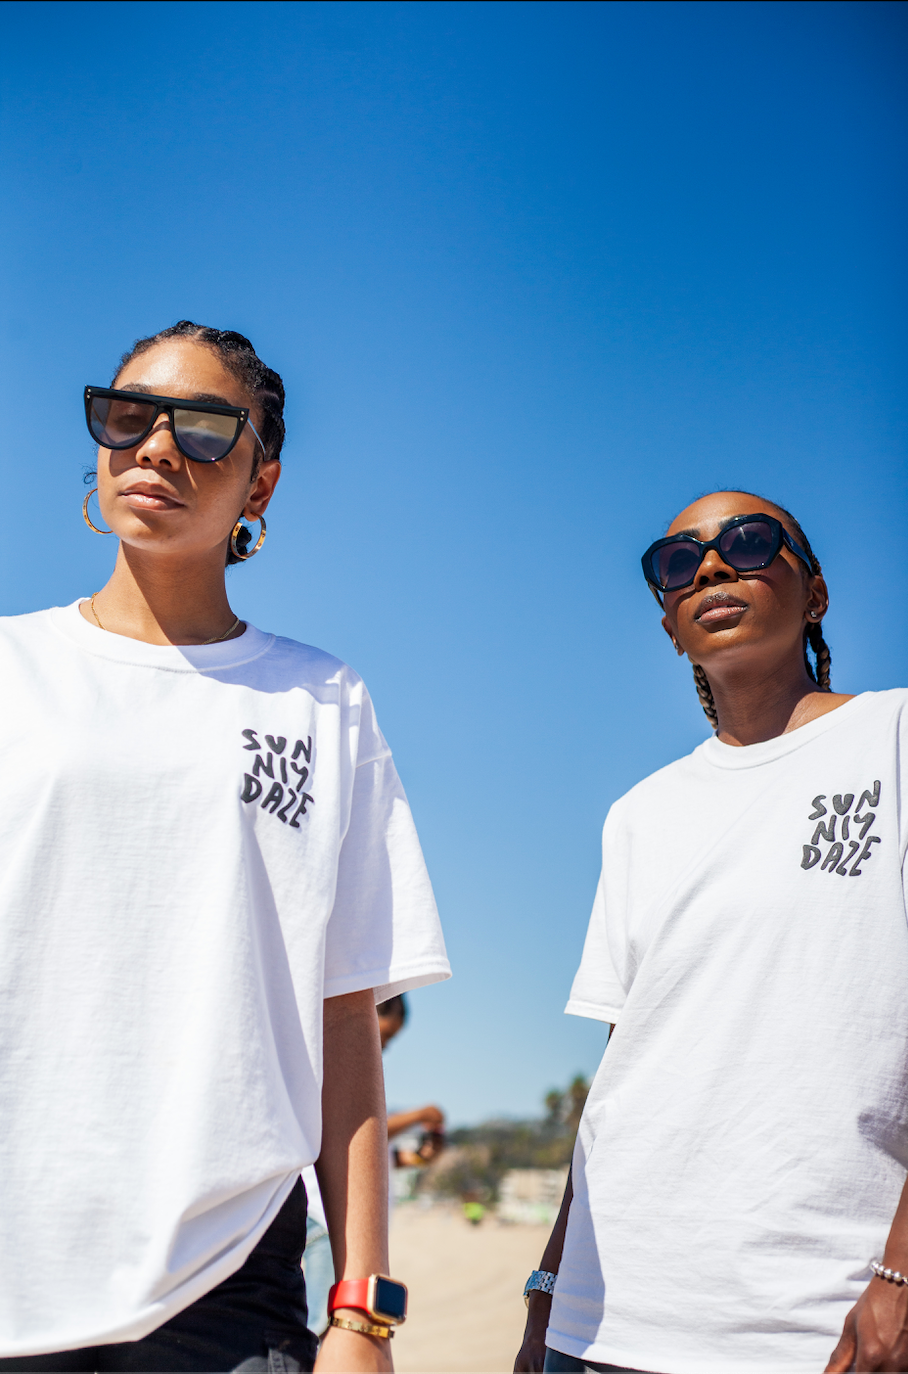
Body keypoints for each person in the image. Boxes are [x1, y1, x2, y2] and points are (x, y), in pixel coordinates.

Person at [0, 321, 451, 1372]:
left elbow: (346, 1018)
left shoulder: (319, 699)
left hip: (225, 1279)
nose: (158, 447)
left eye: (204, 428)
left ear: (261, 483)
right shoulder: (11, 669)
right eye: (127, 417)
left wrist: (361, 1313)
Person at [515, 491, 908, 1374]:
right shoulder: (639, 814)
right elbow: (623, 1070)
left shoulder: (895, 737)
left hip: (813, 1318)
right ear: (668, 622)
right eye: (676, 560)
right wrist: (547, 1290)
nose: (713, 567)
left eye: (750, 541)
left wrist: (900, 1272)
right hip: (602, 1319)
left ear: (815, 595)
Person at [302, 994, 446, 1337]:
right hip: (327, 1218)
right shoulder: (340, 1062)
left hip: (329, 1220)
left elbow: (367, 1152)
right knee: (323, 1327)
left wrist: (416, 1158)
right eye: (387, 1033)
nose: (387, 1044)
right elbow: (361, 1130)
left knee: (325, 1326)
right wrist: (421, 1114)